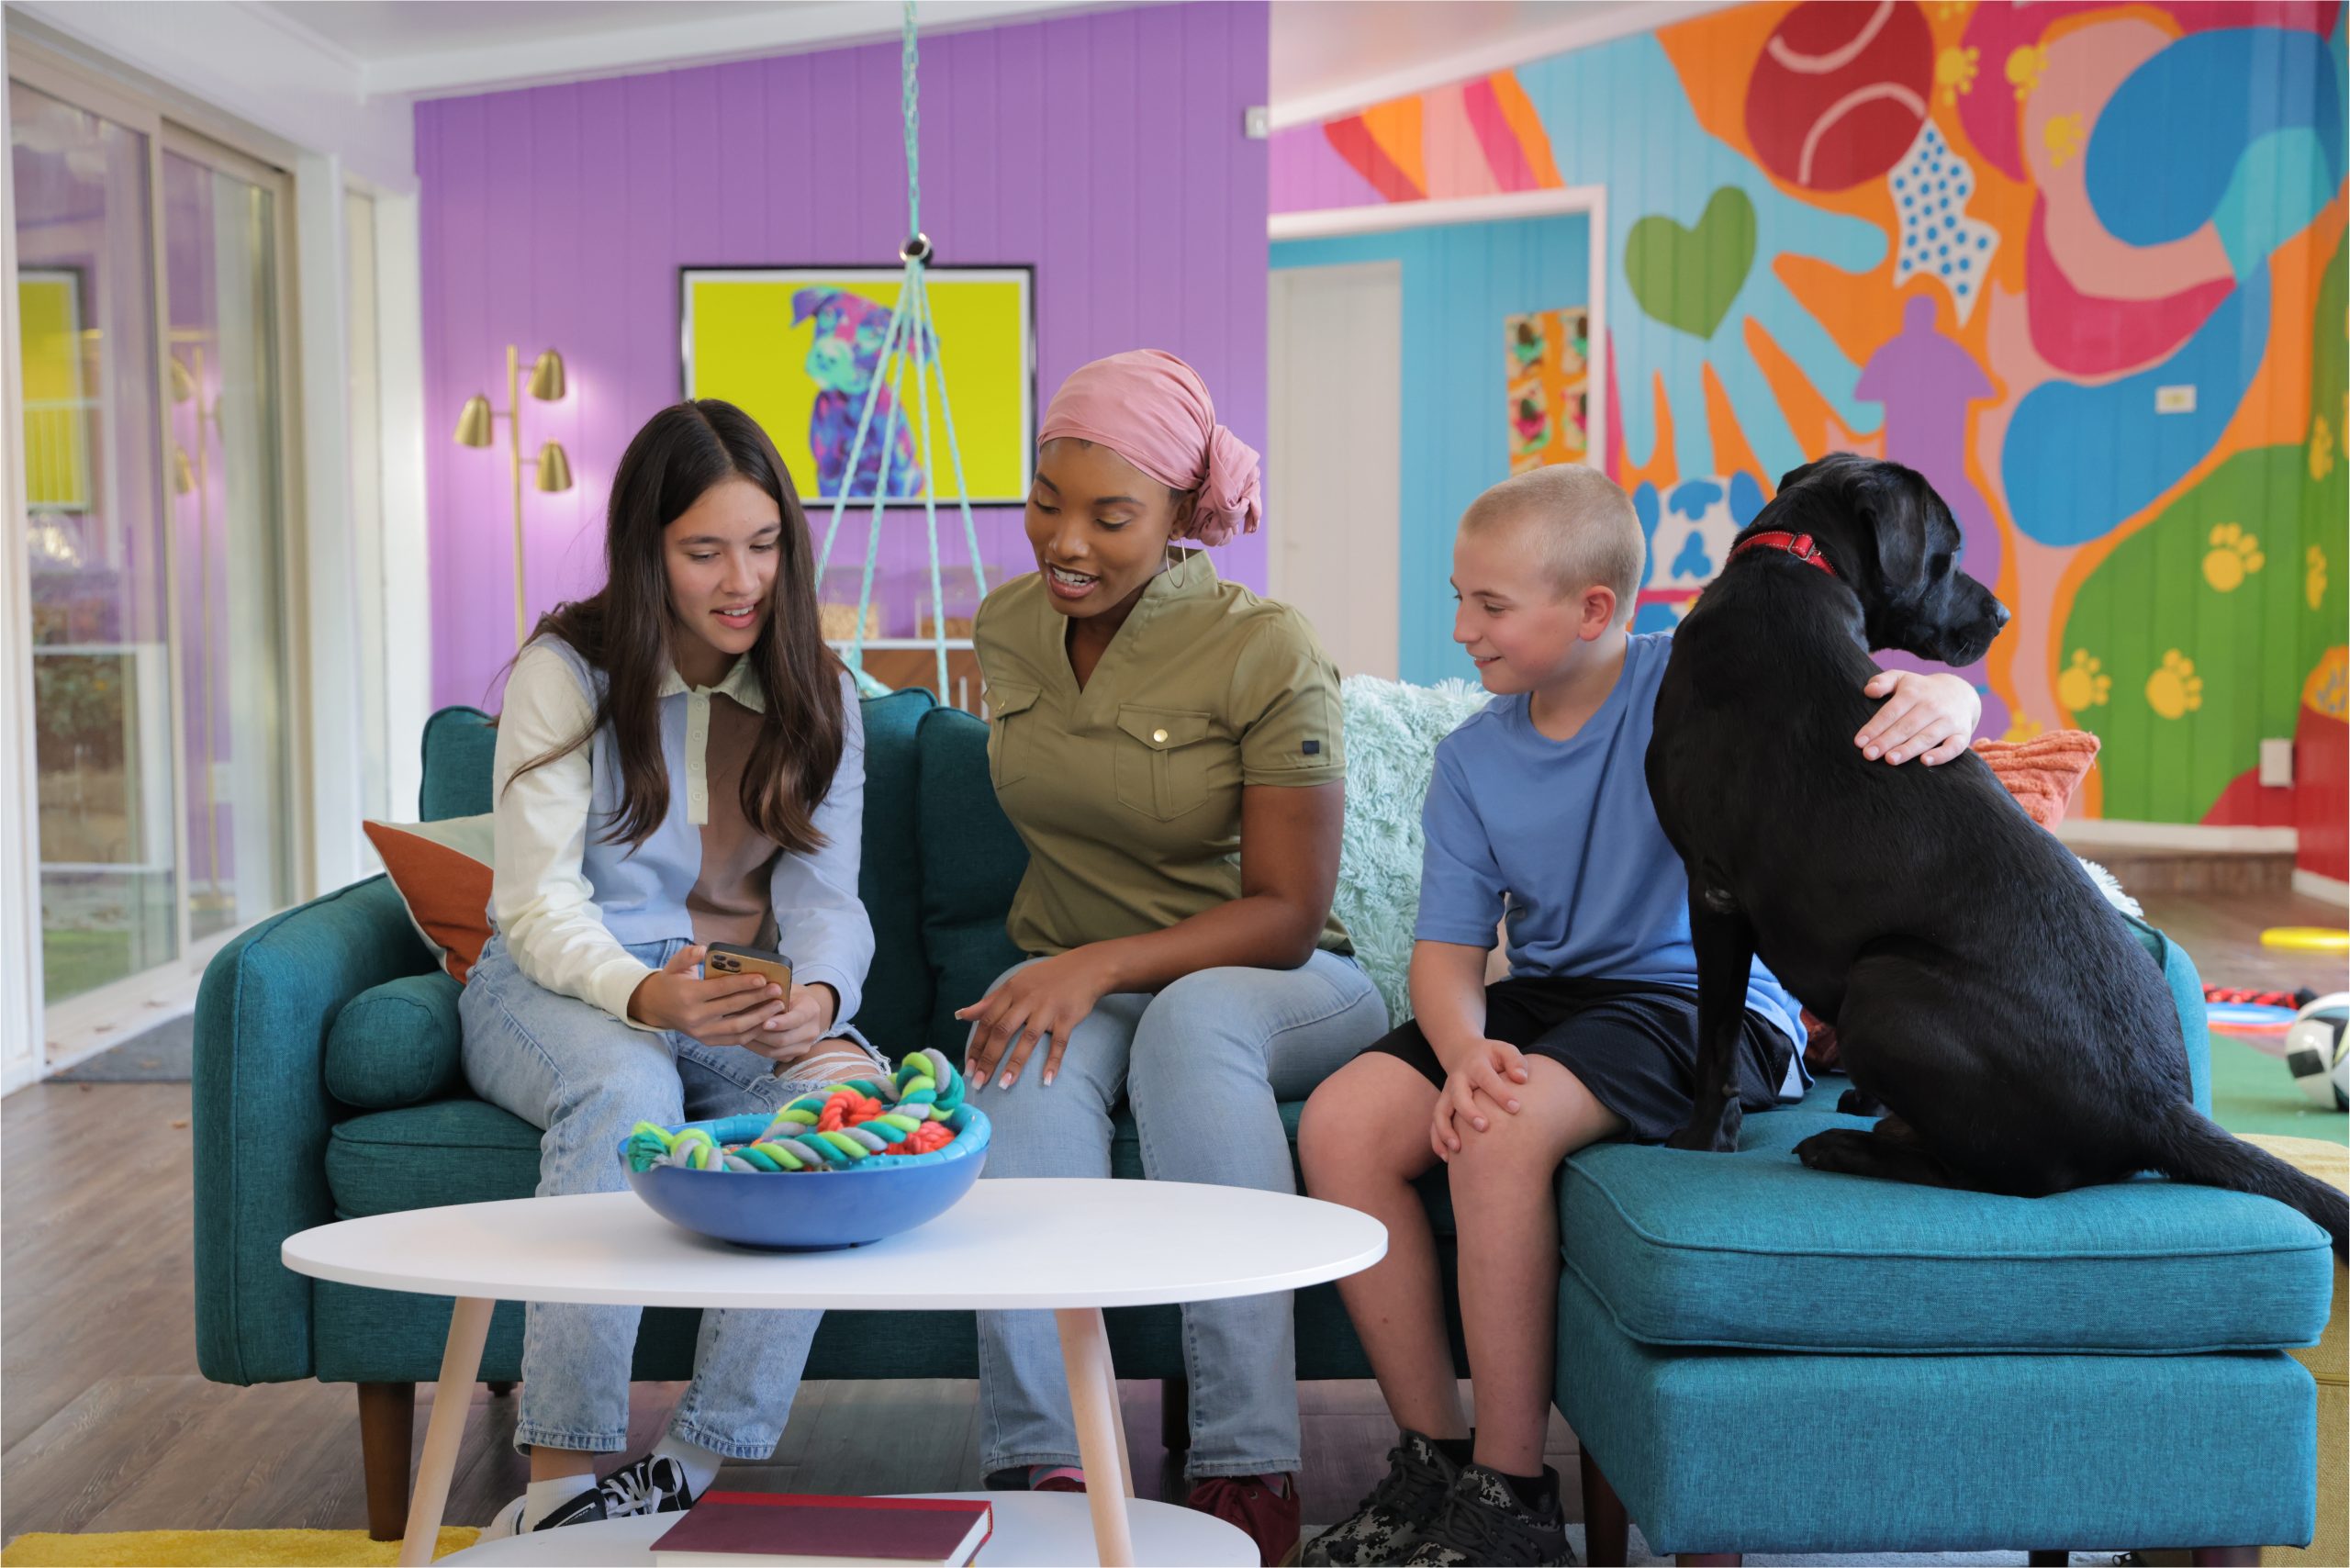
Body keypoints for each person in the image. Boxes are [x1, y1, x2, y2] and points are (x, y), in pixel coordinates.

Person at [1298, 465, 1984, 1566]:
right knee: (1339, 1123)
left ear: (1594, 610)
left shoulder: (1699, 679)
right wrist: (1466, 1048)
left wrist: (1953, 698)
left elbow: (1882, 695)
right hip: (1559, 995)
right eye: (1459, 597)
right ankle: (1431, 1456)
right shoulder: (1471, 758)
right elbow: (1446, 958)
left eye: (1490, 604)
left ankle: (1511, 1497)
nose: (1462, 628)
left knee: (1500, 1128)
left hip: (1703, 1001)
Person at [957, 350, 1390, 1564]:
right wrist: (1073, 973)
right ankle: (1043, 1472)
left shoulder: (1266, 645)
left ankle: (1251, 1467)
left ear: (1179, 514)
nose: (1066, 540)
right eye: (1048, 500)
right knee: (1008, 1065)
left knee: (1193, 1025)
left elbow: (1289, 912)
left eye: (1111, 515)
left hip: (1275, 982)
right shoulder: (1006, 628)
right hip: (1083, 977)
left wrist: (1097, 966)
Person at [462, 399, 878, 1538]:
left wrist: (817, 998)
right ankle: (558, 1486)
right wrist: (645, 995)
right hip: (558, 985)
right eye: (703, 551)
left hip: (729, 989)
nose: (740, 579)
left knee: (844, 1106)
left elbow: (826, 900)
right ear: (646, 549)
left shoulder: (818, 693)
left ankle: (689, 1467)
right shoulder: (567, 672)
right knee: (627, 1087)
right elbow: (537, 901)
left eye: (762, 544)